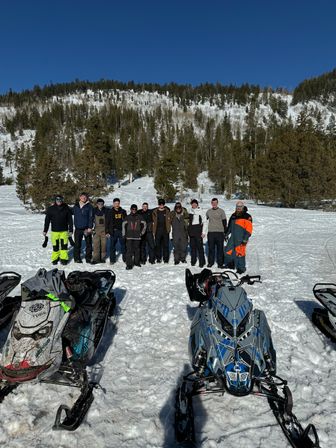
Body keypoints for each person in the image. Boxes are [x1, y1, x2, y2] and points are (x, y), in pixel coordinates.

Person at [43, 194, 73, 265]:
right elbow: (47, 221)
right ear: (55, 200)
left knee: (64, 246)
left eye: (60, 200)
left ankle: (64, 258)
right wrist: (45, 230)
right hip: (54, 232)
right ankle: (55, 258)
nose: (59, 201)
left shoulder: (66, 209)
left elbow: (70, 220)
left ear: (62, 200)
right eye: (57, 200)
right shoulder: (51, 209)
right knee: (55, 246)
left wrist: (71, 230)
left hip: (64, 231)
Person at [224, 200, 253, 274]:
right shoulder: (233, 215)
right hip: (233, 237)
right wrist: (226, 234)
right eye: (237, 207)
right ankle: (231, 264)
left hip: (241, 238)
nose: (238, 208)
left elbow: (249, 229)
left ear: (243, 207)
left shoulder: (247, 216)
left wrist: (245, 239)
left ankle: (241, 268)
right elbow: (230, 226)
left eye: (240, 207)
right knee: (227, 251)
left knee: (240, 253)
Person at [122, 204, 146, 270]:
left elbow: (144, 225)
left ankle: (136, 262)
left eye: (135, 209)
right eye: (133, 209)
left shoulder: (140, 217)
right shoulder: (127, 217)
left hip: (137, 236)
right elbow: (123, 226)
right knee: (129, 251)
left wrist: (141, 233)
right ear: (130, 209)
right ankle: (129, 264)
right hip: (129, 236)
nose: (134, 210)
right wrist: (124, 234)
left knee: (137, 250)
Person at [73, 192, 94, 263]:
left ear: (87, 198)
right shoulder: (76, 206)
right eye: (82, 197)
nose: (83, 198)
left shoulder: (89, 206)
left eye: (85, 197)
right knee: (77, 244)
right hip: (78, 228)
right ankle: (77, 258)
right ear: (80, 197)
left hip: (86, 229)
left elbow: (91, 217)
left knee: (88, 244)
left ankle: (88, 257)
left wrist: (90, 227)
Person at [206, 198, 227, 268]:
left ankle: (220, 263)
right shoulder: (208, 211)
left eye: (215, 203)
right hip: (211, 232)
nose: (214, 204)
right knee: (211, 248)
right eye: (213, 203)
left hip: (220, 232)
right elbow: (204, 220)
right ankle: (210, 262)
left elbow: (224, 222)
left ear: (217, 203)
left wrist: (225, 232)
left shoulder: (221, 211)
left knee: (220, 249)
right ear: (211, 203)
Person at [105, 198, 127, 264]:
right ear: (113, 204)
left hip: (121, 231)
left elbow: (126, 221)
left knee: (123, 245)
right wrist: (107, 231)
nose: (117, 205)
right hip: (113, 231)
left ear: (119, 204)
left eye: (118, 203)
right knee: (112, 246)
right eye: (115, 203)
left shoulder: (123, 211)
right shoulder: (110, 212)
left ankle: (125, 258)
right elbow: (107, 222)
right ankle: (112, 260)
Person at [152, 199, 171, 263]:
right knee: (158, 245)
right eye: (160, 204)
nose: (161, 205)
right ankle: (158, 258)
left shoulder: (167, 211)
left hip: (165, 230)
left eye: (162, 204)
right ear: (158, 204)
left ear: (164, 204)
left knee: (166, 245)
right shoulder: (155, 211)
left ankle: (166, 259)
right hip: (157, 230)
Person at [188, 199, 206, 268]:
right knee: (192, 248)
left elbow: (205, 222)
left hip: (198, 231)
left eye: (195, 203)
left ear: (197, 204)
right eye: (193, 204)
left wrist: (203, 232)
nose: (194, 205)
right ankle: (193, 260)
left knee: (200, 248)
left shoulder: (201, 211)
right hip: (191, 232)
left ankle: (202, 262)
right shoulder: (189, 211)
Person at [92, 198, 107, 264]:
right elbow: (91, 220)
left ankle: (102, 258)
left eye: (102, 204)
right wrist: (91, 228)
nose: (100, 205)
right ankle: (95, 259)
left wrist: (108, 231)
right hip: (96, 229)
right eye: (99, 204)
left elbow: (109, 221)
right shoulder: (93, 210)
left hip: (104, 230)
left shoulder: (106, 210)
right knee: (96, 245)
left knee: (104, 245)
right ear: (97, 204)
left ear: (103, 204)